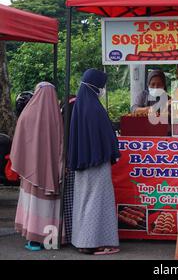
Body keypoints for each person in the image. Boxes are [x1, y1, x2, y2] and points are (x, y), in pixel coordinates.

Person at [68, 69, 121, 255]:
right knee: (97, 201)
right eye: (102, 86)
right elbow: (105, 136)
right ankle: (95, 242)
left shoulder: (80, 105)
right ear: (95, 86)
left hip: (82, 162)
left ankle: (82, 240)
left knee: (83, 201)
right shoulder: (95, 109)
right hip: (97, 162)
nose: (103, 89)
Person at [10, 82, 63, 251]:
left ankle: (33, 239)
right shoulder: (57, 117)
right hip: (51, 173)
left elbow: (18, 143)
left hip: (31, 172)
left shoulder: (26, 115)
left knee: (33, 204)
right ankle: (50, 239)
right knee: (50, 206)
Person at [60, 95, 77, 245]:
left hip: (68, 164)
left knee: (68, 201)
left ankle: (69, 234)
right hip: (76, 164)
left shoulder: (63, 115)